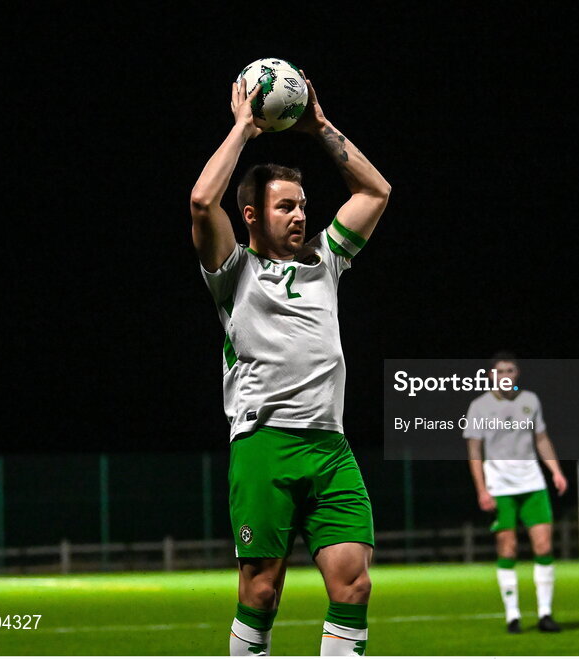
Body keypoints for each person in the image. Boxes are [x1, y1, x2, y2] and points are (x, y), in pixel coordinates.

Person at [190, 70, 391, 656]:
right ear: (251, 216)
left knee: (353, 582)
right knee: (261, 592)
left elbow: (375, 193)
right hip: (264, 446)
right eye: (284, 207)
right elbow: (204, 200)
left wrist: (321, 125)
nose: (300, 215)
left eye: (303, 204)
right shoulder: (233, 273)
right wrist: (244, 129)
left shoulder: (326, 261)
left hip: (331, 447)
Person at [465, 352, 568, 634]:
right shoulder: (479, 407)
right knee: (507, 548)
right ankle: (513, 615)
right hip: (500, 487)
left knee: (544, 546)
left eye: (510, 371)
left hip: (533, 484)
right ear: (491, 376)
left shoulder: (530, 401)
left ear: (517, 374)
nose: (505, 376)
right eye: (500, 371)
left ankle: (545, 614)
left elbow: (541, 438)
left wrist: (556, 471)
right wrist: (482, 489)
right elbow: (474, 451)